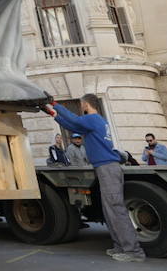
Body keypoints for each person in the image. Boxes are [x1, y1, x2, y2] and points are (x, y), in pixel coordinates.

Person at [41, 95, 146, 262]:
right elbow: (72, 124)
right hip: (105, 168)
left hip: (108, 168)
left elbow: (74, 120)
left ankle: (134, 251)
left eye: (81, 104)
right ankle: (120, 246)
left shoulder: (93, 118)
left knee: (116, 209)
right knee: (110, 210)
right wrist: (53, 114)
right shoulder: (95, 122)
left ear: (86, 104)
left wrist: (55, 104)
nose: (80, 107)